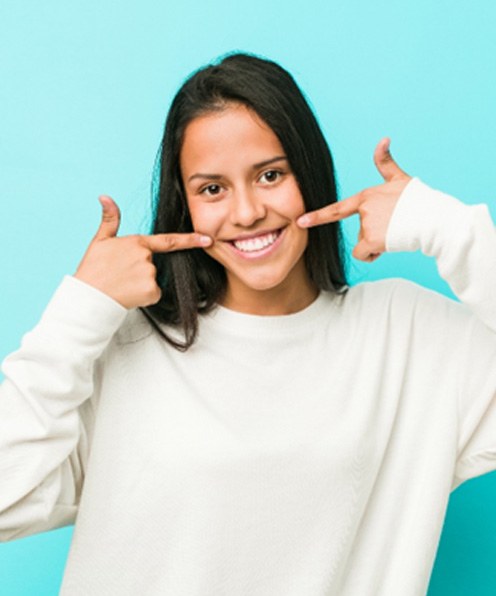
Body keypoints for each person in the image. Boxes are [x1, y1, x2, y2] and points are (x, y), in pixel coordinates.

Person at [0, 52, 495, 596]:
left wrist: (450, 231)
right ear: (184, 204)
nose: (246, 212)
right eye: (212, 189)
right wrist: (82, 309)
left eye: (270, 175)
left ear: (310, 173)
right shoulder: (128, 345)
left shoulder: (407, 337)